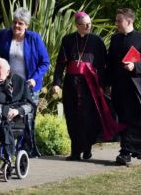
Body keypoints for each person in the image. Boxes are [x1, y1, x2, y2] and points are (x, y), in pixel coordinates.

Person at [52, 11, 123, 161]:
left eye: (90, 23)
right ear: (77, 25)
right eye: (85, 24)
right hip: (71, 84)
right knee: (72, 118)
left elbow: (104, 65)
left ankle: (87, 148)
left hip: (90, 85)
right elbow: (60, 64)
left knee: (88, 118)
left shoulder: (97, 41)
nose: (89, 26)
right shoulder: (67, 40)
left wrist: (105, 85)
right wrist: (57, 83)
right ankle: (75, 151)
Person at [0, 7, 50, 158]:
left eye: (21, 23)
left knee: (27, 118)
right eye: (15, 22)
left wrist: (34, 79)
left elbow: (45, 62)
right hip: (8, 84)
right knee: (8, 116)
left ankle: (27, 151)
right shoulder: (4, 35)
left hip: (29, 84)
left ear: (27, 26)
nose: (16, 26)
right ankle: (10, 148)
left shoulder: (34, 38)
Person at [106, 8, 141, 165]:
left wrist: (135, 66)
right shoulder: (115, 39)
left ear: (129, 21)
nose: (116, 24)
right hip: (119, 87)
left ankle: (126, 151)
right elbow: (110, 64)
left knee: (134, 118)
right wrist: (106, 84)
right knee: (122, 118)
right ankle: (126, 150)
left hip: (136, 88)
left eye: (118, 21)